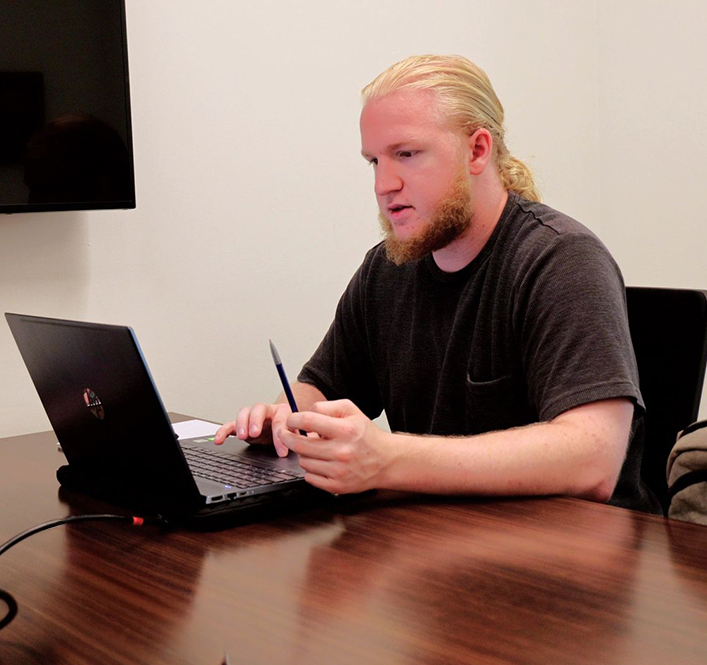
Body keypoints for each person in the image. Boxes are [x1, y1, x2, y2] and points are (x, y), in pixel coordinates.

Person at [214, 54, 657, 513]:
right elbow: (321, 388)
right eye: (374, 162)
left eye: (406, 154)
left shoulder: (560, 259)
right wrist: (287, 417)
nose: (383, 185)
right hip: (440, 544)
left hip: (573, 560)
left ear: (477, 150)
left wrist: (388, 459)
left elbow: (593, 460)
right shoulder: (387, 270)